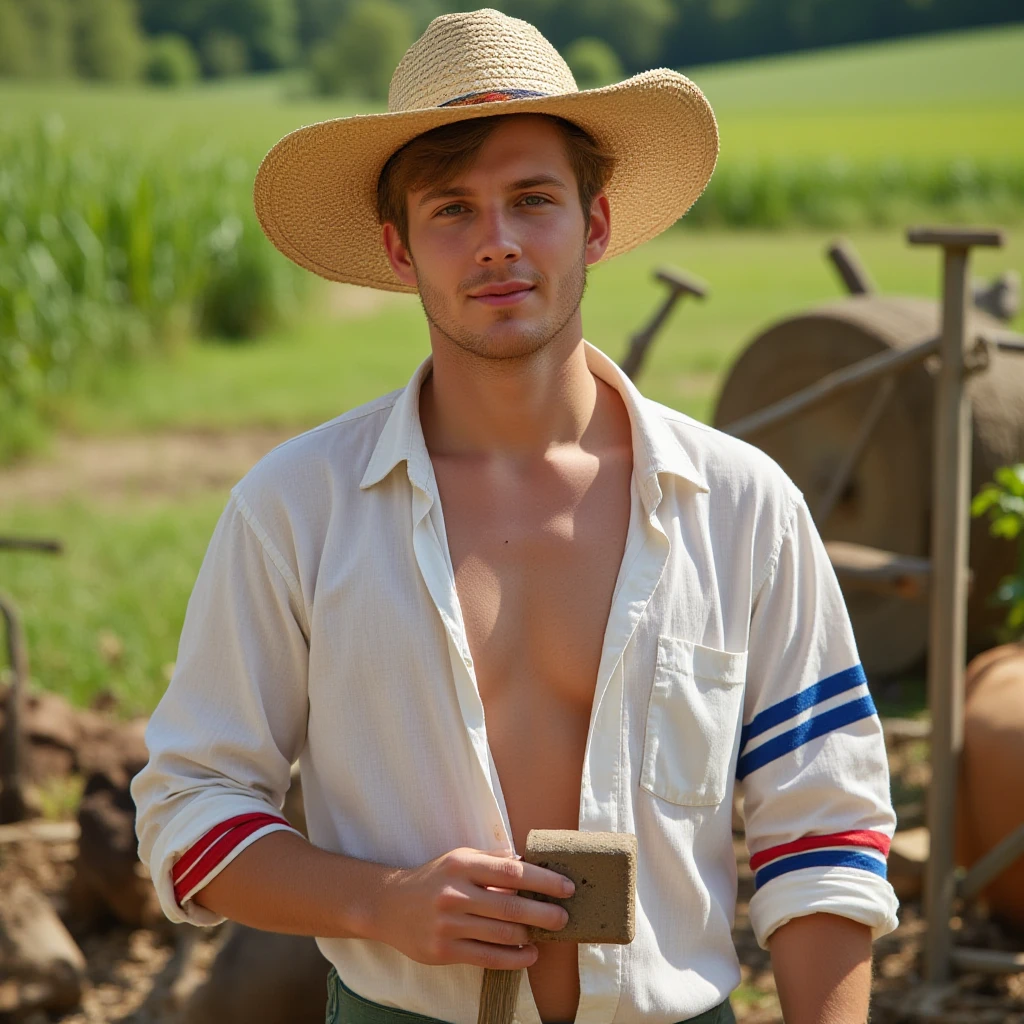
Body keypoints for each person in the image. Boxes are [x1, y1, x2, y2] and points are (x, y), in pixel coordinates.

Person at [130, 9, 899, 1024]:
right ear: (399, 250)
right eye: (452, 209)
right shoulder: (295, 508)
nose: (496, 242)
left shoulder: (741, 504)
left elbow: (825, 830)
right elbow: (191, 803)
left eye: (532, 199)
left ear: (595, 224)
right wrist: (381, 901)